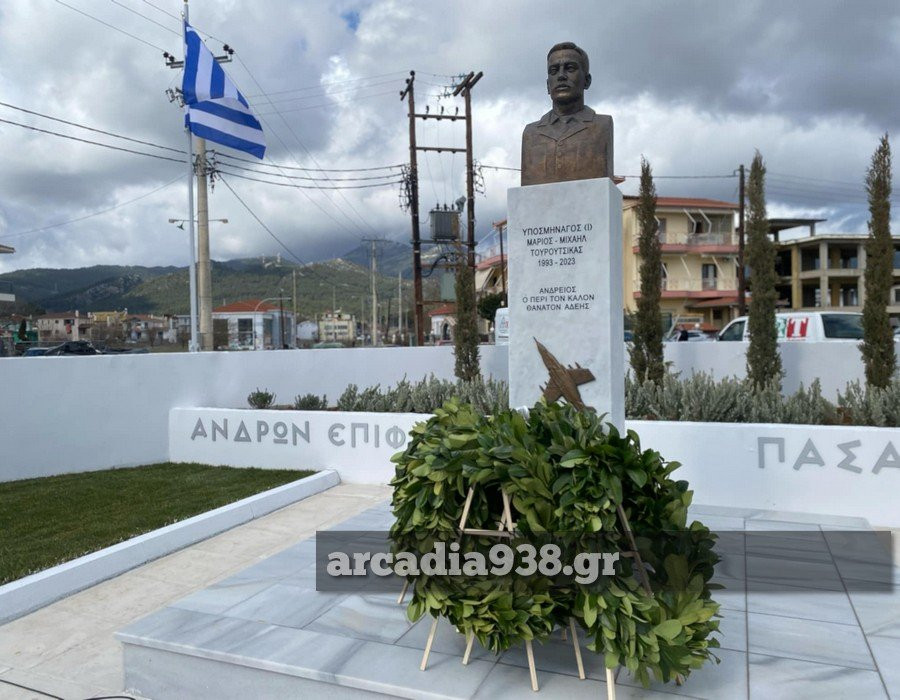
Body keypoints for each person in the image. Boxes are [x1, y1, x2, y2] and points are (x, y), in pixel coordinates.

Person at [521, 42, 614, 186]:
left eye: (570, 68)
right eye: (554, 71)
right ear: (548, 85)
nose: (561, 76)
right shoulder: (531, 133)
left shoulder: (602, 126)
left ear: (587, 81)